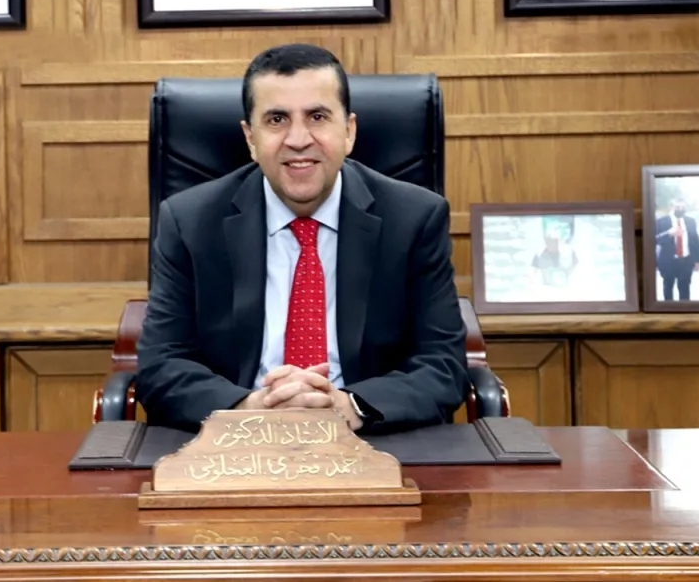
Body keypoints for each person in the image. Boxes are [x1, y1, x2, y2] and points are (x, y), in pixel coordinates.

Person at [136, 44, 469, 434]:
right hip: (237, 443)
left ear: (349, 131)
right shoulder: (189, 222)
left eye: (317, 117)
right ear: (250, 138)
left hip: (371, 439)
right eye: (277, 119)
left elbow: (443, 364)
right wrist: (248, 407)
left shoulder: (414, 219)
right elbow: (161, 364)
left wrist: (351, 405)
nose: (298, 139)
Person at [653, 198, 699, 300]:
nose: (680, 209)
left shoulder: (691, 221)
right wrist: (668, 234)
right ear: (671, 207)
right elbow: (653, 239)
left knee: (685, 288)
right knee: (668, 287)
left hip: (686, 261)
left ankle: (684, 308)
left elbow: (695, 241)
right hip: (668, 261)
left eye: (683, 207)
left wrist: (698, 260)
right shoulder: (661, 221)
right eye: (677, 207)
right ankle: (669, 308)